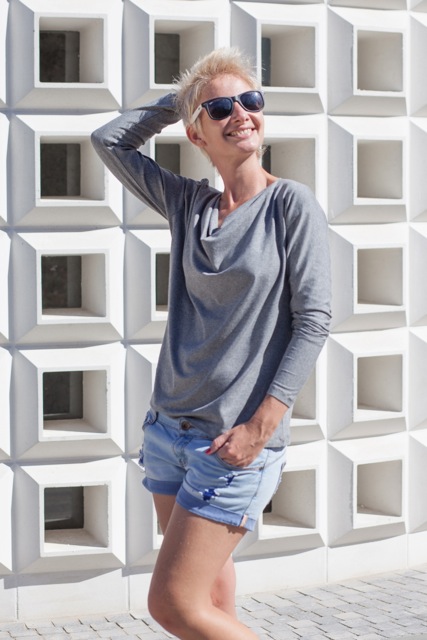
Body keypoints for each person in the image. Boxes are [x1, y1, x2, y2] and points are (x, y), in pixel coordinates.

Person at [92, 47, 331, 640]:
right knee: (210, 602)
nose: (240, 114)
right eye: (221, 109)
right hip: (167, 432)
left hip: (231, 441)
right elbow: (109, 141)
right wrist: (178, 103)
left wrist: (261, 427)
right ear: (197, 134)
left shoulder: (290, 204)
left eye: (250, 100)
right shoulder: (188, 204)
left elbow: (313, 320)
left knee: (173, 605)